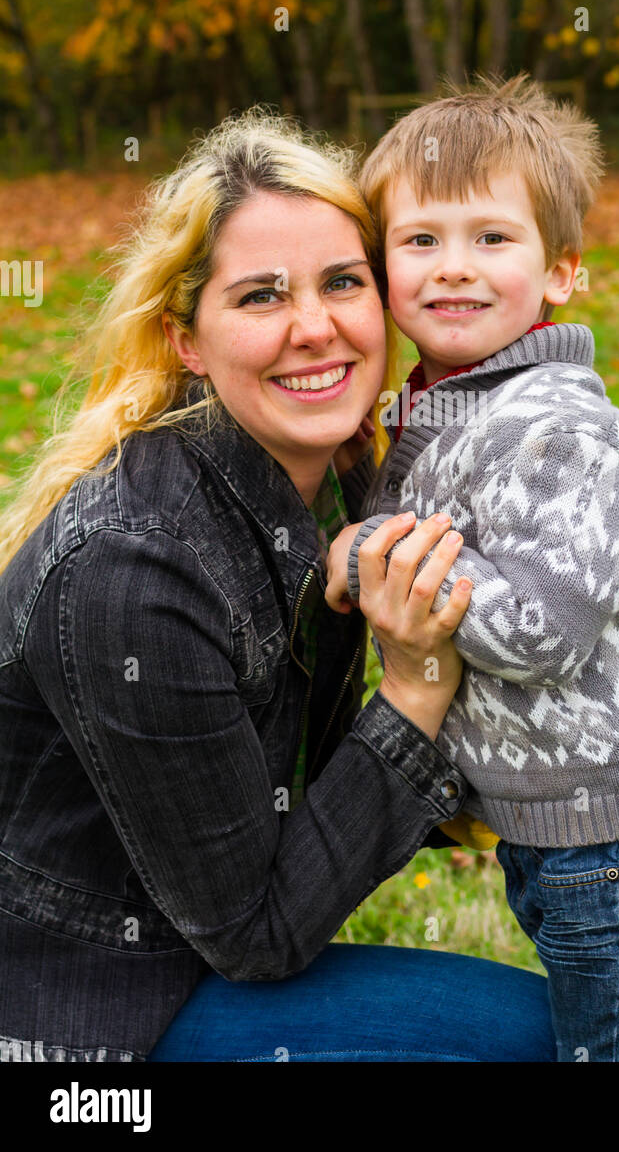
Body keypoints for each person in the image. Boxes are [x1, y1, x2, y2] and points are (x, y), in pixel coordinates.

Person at [0, 107, 557, 1063]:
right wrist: (417, 691)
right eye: (261, 297)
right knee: (558, 1046)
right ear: (185, 338)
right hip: (95, 1014)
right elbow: (257, 934)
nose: (316, 328)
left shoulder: (346, 480)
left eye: (344, 282)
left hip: (197, 949)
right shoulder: (137, 570)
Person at [325, 74, 619, 1062]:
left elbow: (540, 630)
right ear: (380, 266)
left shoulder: (551, 424)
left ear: (559, 269)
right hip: (573, 831)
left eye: (491, 239)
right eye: (421, 240)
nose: (453, 268)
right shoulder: (449, 402)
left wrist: (371, 554)